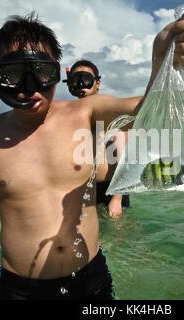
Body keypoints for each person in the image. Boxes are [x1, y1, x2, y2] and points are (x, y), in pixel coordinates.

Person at [0, 2, 184, 300]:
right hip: (21, 289)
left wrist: (162, 63)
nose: (29, 88)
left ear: (57, 72)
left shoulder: (84, 112)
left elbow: (150, 111)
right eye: (14, 74)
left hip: (89, 279)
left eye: (42, 73)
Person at [64, 59, 130, 218]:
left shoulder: (108, 114)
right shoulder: (70, 117)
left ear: (97, 83)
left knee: (117, 239)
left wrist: (117, 199)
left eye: (86, 80)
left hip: (110, 191)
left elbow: (125, 160)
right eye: (75, 81)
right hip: (83, 190)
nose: (81, 86)